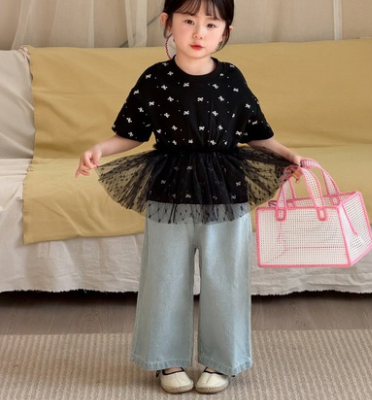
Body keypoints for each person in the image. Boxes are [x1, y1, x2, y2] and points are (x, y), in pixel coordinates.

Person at [76, 0, 302, 394]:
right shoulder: (154, 78)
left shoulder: (232, 78)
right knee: (164, 279)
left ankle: (222, 362)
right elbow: (130, 133)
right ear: (167, 23)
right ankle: (167, 361)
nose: (199, 32)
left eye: (211, 24)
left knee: (226, 279)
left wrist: (288, 155)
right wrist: (99, 149)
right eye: (189, 20)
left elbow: (257, 133)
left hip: (225, 193)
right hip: (169, 192)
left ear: (226, 31)